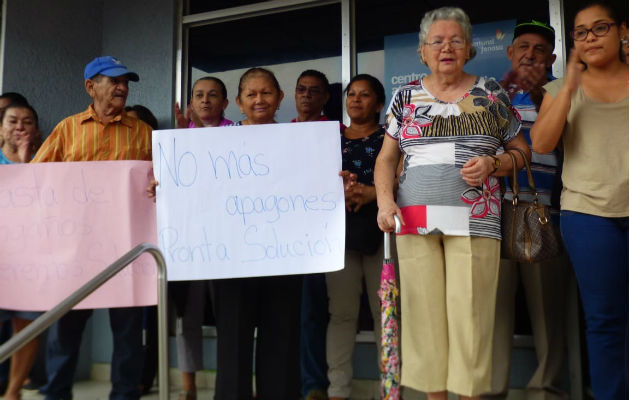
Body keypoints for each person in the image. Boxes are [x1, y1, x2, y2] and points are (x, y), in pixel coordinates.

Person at [374, 7, 530, 400]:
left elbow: (521, 150)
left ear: (468, 50)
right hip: (414, 220)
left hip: (475, 221)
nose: (447, 47)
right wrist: (384, 201)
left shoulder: (491, 92)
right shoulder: (405, 96)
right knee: (425, 322)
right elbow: (386, 159)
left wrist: (496, 163)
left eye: (456, 40)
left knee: (470, 321)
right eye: (437, 41)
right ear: (423, 51)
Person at [32, 55, 153, 400]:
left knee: (128, 331)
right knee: (65, 328)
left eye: (125, 82)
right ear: (90, 86)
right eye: (113, 80)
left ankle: (125, 394)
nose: (121, 87)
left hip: (126, 248)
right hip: (75, 249)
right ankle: (55, 394)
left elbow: (158, 184)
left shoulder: (142, 132)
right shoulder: (67, 129)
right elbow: (37, 181)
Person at [530, 2, 629, 399]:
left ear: (622, 31)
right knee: (605, 320)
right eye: (580, 32)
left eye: (599, 28)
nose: (589, 37)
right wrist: (568, 88)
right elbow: (541, 142)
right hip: (588, 213)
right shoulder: (561, 88)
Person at [482, 19, 571, 400]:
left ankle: (545, 391)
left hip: (546, 211)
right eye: (523, 47)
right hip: (494, 213)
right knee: (493, 311)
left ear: (552, 57)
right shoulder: (491, 95)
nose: (530, 54)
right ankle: (490, 390)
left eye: (539, 49)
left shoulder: (562, 92)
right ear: (510, 53)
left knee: (548, 313)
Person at [211, 67, 302, 400]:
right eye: (251, 94)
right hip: (231, 259)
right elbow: (196, 193)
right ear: (238, 102)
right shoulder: (215, 144)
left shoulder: (302, 143)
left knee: (281, 340)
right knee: (232, 343)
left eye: (266, 93)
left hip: (285, 258)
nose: (259, 100)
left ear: (280, 98)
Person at [170, 76, 231, 400]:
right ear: (191, 103)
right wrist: (182, 139)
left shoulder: (237, 132)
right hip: (189, 241)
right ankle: (188, 386)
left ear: (225, 103)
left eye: (212, 96)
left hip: (229, 242)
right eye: (198, 96)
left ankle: (229, 382)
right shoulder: (177, 139)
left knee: (231, 318)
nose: (205, 101)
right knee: (187, 315)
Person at [326, 74, 385, 400]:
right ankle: (337, 390)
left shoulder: (390, 138)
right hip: (338, 237)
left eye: (364, 95)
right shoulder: (328, 138)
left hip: (381, 235)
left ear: (378, 104)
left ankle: (390, 388)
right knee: (342, 314)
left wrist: (371, 193)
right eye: (351, 94)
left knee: (385, 312)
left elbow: (404, 181)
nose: (356, 100)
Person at [292, 69, 332, 400]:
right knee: (281, 314)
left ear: (325, 98)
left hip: (318, 238)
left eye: (314, 91)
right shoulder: (276, 134)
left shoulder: (337, 133)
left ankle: (313, 385)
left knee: (312, 314)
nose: (306, 95)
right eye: (301, 89)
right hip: (277, 239)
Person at [0, 101, 43, 400]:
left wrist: (28, 167)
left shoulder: (46, 162)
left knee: (26, 326)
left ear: (36, 130)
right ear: (1, 128)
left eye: (27, 122)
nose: (20, 127)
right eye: (13, 121)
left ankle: (13, 392)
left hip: (31, 259)